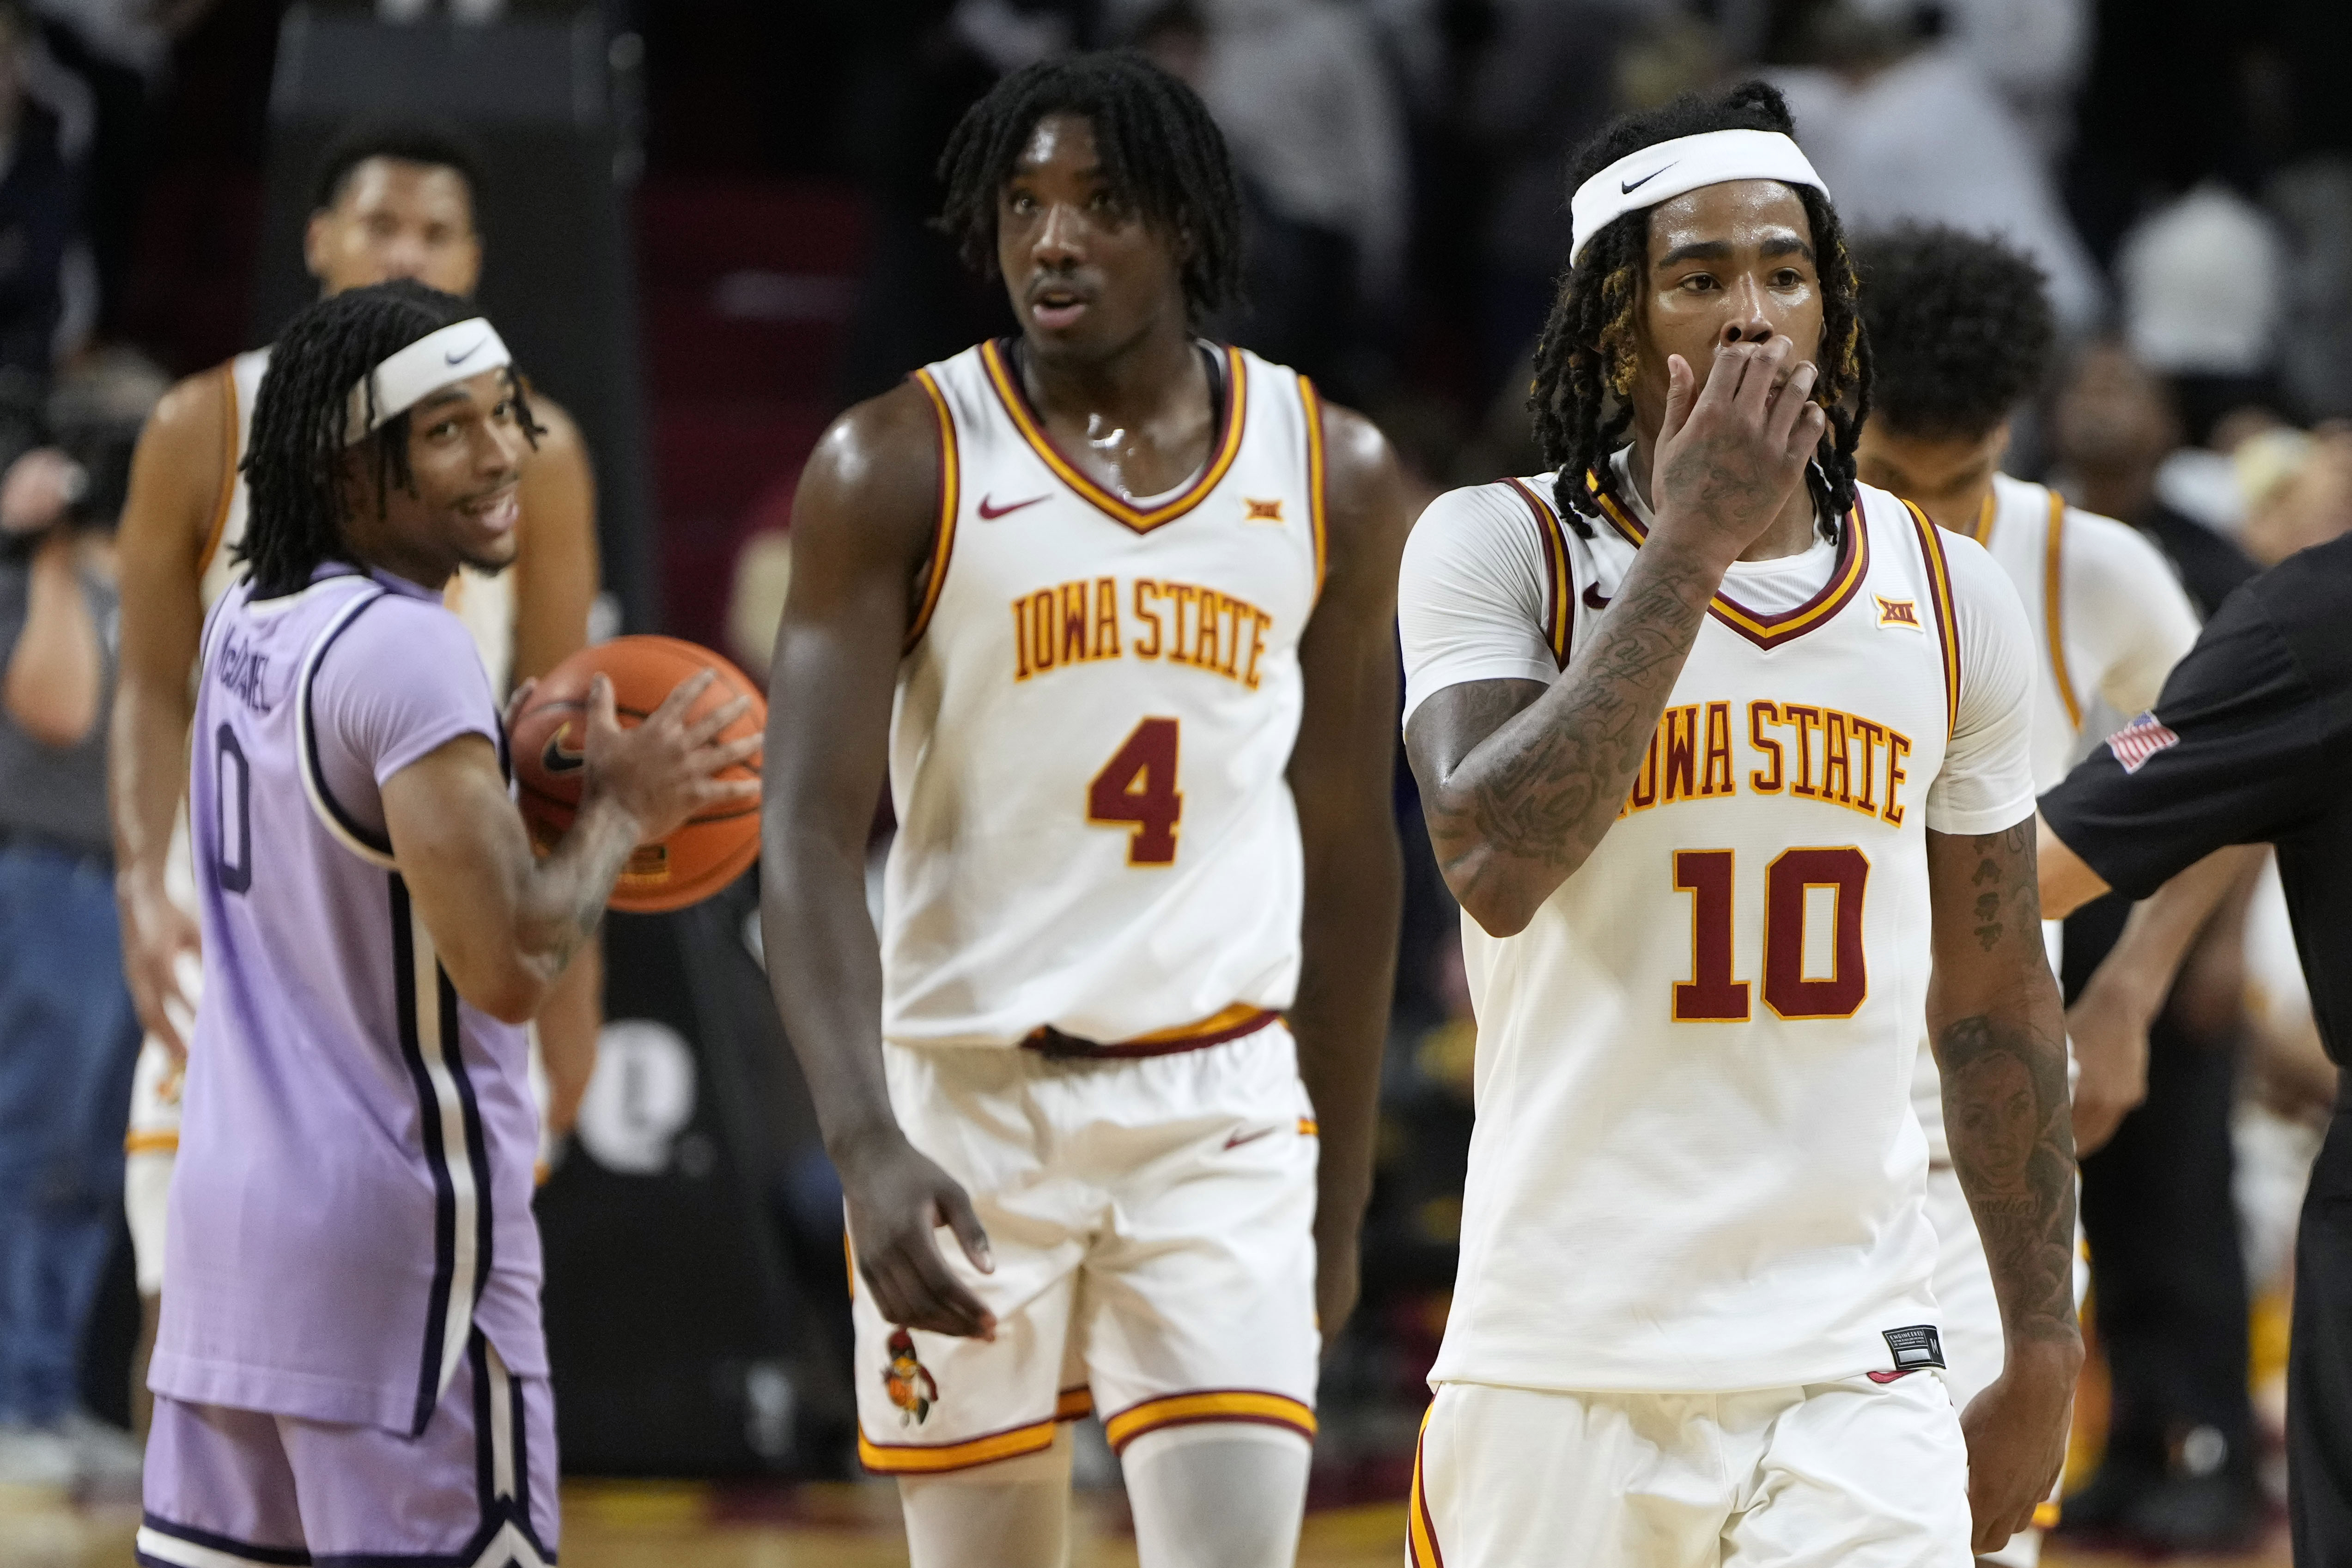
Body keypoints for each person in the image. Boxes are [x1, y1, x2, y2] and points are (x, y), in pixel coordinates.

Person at [1395, 83, 2079, 1566]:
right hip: (1561, 1344)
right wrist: (1691, 542)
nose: (1751, 314)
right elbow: (1491, 862)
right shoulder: (1494, 549)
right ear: (1609, 327)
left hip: (1852, 1353)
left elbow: (1995, 992)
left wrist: (2038, 1345)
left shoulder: (1948, 592)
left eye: (1783, 270)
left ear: (1831, 306)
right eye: (1697, 278)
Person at [761, 51, 1409, 1568]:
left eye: (1102, 205)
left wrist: (1338, 1193)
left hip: (1220, 1110)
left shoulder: (1337, 473)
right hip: (970, 1103)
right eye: (1024, 204)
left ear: (1185, 226)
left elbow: (1351, 857)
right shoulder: (892, 461)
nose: (1051, 238)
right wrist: (863, 1142)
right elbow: (803, 833)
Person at [134, 280, 752, 1567]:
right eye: (447, 430)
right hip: (392, 1251)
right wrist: (619, 815)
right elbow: (511, 965)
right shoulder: (408, 653)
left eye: (507, 414)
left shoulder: (245, 618)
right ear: (348, 467)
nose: (503, 455)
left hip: (229, 1243)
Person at [109, 122, 602, 1427]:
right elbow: (149, 686)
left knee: (430, 1332)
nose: (405, 251)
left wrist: (577, 980)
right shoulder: (204, 418)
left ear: (476, 262)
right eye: (380, 225)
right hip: (244, 918)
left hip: (434, 919)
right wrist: (137, 880)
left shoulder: (528, 453)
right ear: (318, 241)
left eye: (435, 233)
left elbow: (561, 734)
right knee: (191, 1305)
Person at [1849, 224, 2208, 1565]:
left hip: (1974, 1152)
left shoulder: (2091, 568)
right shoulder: (1755, 566)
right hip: (1784, 1133)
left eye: (1968, 482)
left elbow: (2225, 770)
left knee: (1976, 1537)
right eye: (1892, 478)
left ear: (2014, 429)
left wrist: (2126, 987)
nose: (1932, 523)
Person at [2036, 529, 2352, 1568]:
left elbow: (2037, 864)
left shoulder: (2311, 616)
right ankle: (2158, 1441)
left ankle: (2201, 1444)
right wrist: (2134, 978)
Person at [0, 445, 136, 1493]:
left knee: (91, 1164)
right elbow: (58, 710)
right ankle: (14, 1398)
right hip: (47, 880)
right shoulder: (27, 580)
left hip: (131, 890)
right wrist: (43, 554)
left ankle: (48, 1389)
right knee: (30, 1146)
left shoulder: (165, 590)